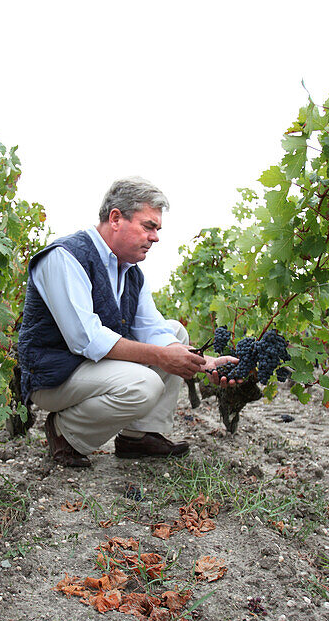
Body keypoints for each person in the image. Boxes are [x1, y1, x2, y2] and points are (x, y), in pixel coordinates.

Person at [17, 177, 239, 467]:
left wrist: (201, 362)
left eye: (157, 229)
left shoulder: (131, 272)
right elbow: (86, 339)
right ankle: (65, 434)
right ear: (116, 218)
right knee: (143, 384)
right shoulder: (65, 257)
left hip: (89, 370)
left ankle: (139, 436)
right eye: (149, 226)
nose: (156, 237)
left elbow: (152, 329)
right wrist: (162, 356)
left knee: (175, 333)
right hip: (52, 376)